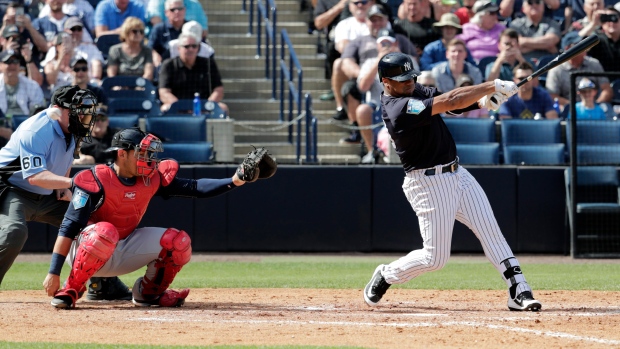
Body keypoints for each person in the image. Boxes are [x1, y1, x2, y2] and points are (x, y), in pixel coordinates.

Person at [363, 52, 542, 312]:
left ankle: (519, 289)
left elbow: (451, 104)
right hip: (427, 184)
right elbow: (450, 99)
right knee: (434, 258)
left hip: (458, 174)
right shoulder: (397, 108)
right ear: (385, 82)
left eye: (411, 77)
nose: (409, 83)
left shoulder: (415, 89)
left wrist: (482, 102)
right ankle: (387, 274)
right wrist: (493, 85)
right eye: (402, 80)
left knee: (491, 232)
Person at [42, 128, 274, 308]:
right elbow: (68, 227)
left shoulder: (152, 177)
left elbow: (196, 187)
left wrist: (234, 180)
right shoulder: (94, 178)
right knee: (105, 232)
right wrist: (53, 272)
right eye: (141, 153)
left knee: (178, 242)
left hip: (122, 246)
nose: (149, 159)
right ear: (122, 154)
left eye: (149, 153)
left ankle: (148, 293)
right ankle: (71, 288)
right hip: (86, 248)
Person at [0, 85, 93, 286]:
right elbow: (35, 177)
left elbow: (66, 159)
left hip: (47, 193)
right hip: (11, 188)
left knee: (93, 229)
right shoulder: (36, 130)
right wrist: (74, 182)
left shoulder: (72, 126)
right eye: (77, 110)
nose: (83, 115)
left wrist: (63, 186)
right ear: (57, 110)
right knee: (14, 232)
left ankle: (102, 285)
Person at [328, 0, 375, 121]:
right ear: (349, 6)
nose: (360, 5)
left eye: (364, 2)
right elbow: (342, 48)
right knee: (339, 63)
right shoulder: (344, 24)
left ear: (371, 4)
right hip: (353, 64)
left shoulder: (378, 21)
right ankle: (341, 108)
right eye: (356, 2)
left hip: (374, 63)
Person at [158, 33, 227, 114]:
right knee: (164, 108)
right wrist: (183, 106)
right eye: (186, 46)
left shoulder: (208, 64)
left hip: (204, 107)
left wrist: (208, 105)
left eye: (194, 46)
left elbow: (218, 89)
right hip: (177, 107)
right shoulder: (168, 65)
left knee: (223, 108)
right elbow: (164, 92)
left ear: (198, 48)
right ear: (179, 48)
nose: (191, 49)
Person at [545, 31, 611, 109]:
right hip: (568, 110)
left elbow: (607, 90)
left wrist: (595, 106)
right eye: (579, 45)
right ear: (567, 48)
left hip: (594, 108)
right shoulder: (557, 69)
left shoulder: (594, 64)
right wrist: (577, 108)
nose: (584, 47)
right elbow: (552, 96)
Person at [40, 17, 104, 84]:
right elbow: (51, 81)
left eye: (79, 29)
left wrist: (75, 72)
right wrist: (61, 58)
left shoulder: (78, 56)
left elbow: (93, 77)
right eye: (73, 29)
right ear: (57, 46)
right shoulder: (53, 53)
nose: (76, 32)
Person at [106, 16, 154, 81]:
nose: (139, 34)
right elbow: (111, 74)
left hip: (141, 88)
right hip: (120, 87)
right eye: (135, 31)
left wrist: (140, 86)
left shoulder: (147, 50)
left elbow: (148, 74)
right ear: (126, 32)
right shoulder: (115, 50)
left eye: (141, 31)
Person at [0, 50, 44, 117]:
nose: (12, 65)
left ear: (19, 64)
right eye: (8, 62)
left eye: (15, 61)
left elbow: (38, 114)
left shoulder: (32, 86)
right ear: (0, 65)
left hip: (26, 124)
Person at [147, 0, 186, 66]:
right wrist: (155, 56)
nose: (177, 12)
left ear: (184, 10)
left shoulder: (191, 27)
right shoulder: (159, 29)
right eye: (172, 10)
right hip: (165, 67)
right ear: (166, 12)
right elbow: (150, 48)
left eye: (180, 9)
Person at [583, 6, 620, 72]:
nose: (611, 23)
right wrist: (593, 24)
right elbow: (578, 46)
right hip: (601, 78)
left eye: (614, 18)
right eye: (606, 19)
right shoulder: (597, 40)